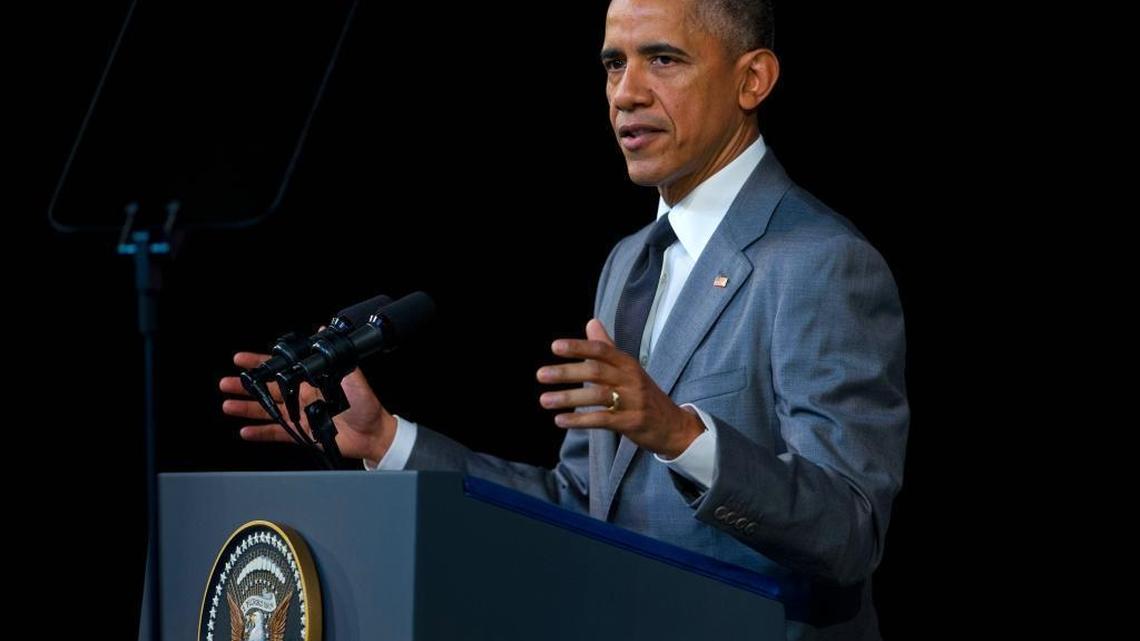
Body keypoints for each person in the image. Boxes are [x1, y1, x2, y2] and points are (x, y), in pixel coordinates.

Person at [221, 1, 908, 638]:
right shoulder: (629, 262)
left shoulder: (822, 262)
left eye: (663, 60)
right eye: (614, 63)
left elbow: (848, 532)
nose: (626, 92)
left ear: (752, 78)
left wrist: (680, 434)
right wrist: (388, 441)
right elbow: (583, 506)